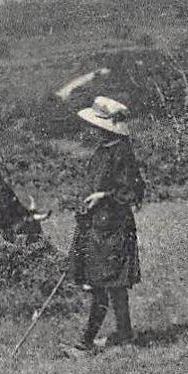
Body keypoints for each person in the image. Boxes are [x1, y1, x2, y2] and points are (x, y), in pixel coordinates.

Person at [67, 96, 146, 354]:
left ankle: (85, 343)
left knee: (105, 283)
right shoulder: (102, 151)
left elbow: (132, 191)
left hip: (114, 227)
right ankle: (125, 336)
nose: (91, 129)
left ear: (104, 127)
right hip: (97, 225)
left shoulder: (121, 153)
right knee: (111, 284)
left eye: (95, 125)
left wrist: (104, 197)